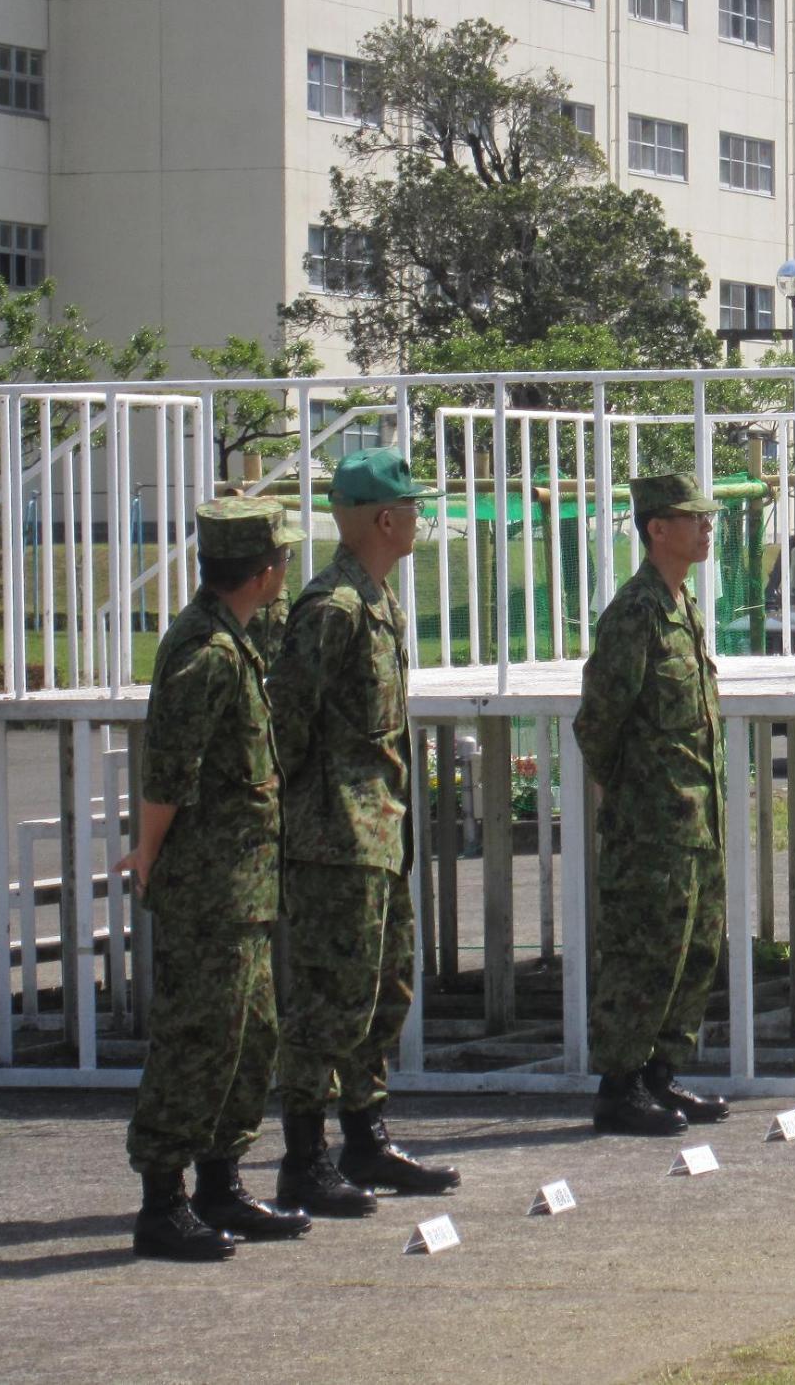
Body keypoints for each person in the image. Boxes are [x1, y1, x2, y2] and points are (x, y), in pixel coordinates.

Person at [116, 500, 313, 1261]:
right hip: (210, 886)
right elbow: (169, 768)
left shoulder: (236, 637)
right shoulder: (205, 652)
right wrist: (148, 850)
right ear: (264, 572)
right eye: (281, 561)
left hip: (246, 882)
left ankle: (221, 1182)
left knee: (247, 1035)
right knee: (197, 1039)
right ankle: (162, 1200)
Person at [272, 448, 458, 1214]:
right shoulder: (333, 609)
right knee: (330, 1001)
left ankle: (365, 1138)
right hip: (336, 841)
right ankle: (304, 1158)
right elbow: (286, 727)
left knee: (384, 992)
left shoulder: (377, 600)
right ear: (385, 519)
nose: (419, 517)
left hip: (379, 833)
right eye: (411, 506)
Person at [574, 474, 733, 1136]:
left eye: (707, 518)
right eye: (690, 519)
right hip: (652, 825)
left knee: (693, 951)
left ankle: (661, 1078)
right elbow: (599, 719)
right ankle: (620, 1086)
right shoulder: (636, 612)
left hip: (696, 820)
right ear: (655, 529)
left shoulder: (684, 606)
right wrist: (622, 793)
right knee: (643, 953)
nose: (705, 529)